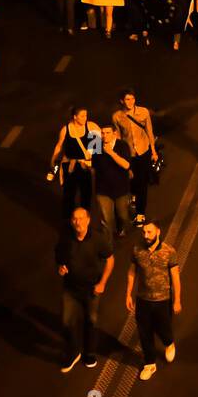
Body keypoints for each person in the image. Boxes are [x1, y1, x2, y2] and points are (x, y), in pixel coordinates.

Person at [55, 206, 114, 373]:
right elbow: (59, 256)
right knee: (66, 322)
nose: (77, 222)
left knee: (91, 321)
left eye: (81, 218)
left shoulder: (98, 239)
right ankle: (73, 353)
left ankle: (89, 353)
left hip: (91, 290)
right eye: (74, 218)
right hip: (71, 289)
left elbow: (110, 259)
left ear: (88, 220)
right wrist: (61, 267)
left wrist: (102, 283)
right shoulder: (66, 239)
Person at [126, 220, 181, 382]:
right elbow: (131, 272)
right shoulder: (137, 250)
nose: (146, 235)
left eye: (149, 232)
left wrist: (177, 300)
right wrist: (128, 294)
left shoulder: (169, 251)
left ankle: (168, 342)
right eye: (144, 232)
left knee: (163, 328)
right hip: (143, 300)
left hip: (163, 300)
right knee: (144, 332)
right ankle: (150, 363)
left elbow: (175, 277)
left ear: (158, 232)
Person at [112, 91, 158, 225]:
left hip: (143, 151)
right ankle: (133, 195)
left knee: (142, 183)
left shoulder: (143, 112)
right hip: (129, 153)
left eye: (132, 98)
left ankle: (140, 213)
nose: (130, 101)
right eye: (127, 99)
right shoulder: (117, 117)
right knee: (132, 179)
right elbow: (119, 137)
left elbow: (149, 131)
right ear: (122, 101)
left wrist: (153, 151)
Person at [49, 106, 101, 219]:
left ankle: (85, 219)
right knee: (69, 195)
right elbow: (59, 146)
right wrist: (53, 160)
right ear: (75, 117)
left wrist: (91, 157)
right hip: (70, 166)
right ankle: (68, 220)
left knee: (86, 195)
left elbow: (98, 145)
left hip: (85, 166)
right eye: (82, 116)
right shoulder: (66, 129)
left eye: (86, 115)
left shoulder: (91, 126)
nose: (85, 118)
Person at [93, 124, 132, 238]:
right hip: (103, 190)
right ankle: (107, 245)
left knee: (122, 216)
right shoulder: (96, 146)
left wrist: (111, 153)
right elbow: (93, 165)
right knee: (107, 220)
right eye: (103, 133)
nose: (105, 136)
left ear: (114, 133)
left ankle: (121, 229)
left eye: (108, 133)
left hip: (121, 189)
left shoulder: (122, 145)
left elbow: (126, 165)